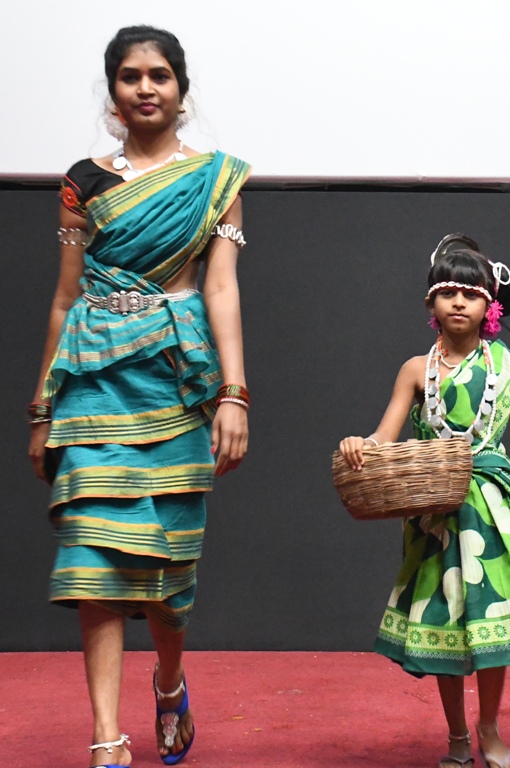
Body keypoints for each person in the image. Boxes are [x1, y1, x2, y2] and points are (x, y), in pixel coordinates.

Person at [27, 25, 251, 768]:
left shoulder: (220, 179)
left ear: (181, 89)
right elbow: (64, 298)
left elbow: (221, 284)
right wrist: (42, 406)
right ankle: (106, 740)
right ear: (113, 91)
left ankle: (169, 682)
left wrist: (233, 393)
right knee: (92, 557)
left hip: (176, 379)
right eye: (130, 76)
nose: (145, 87)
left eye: (159, 74)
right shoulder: (80, 182)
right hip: (92, 380)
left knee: (164, 571)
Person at [339, 234, 510, 768]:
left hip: (494, 516)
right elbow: (383, 439)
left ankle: (489, 727)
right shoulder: (416, 370)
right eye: (448, 292)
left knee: (489, 623)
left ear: (490, 306)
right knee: (443, 620)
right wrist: (359, 447)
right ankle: (456, 734)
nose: (459, 301)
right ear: (430, 305)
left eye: (471, 293)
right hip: (434, 516)